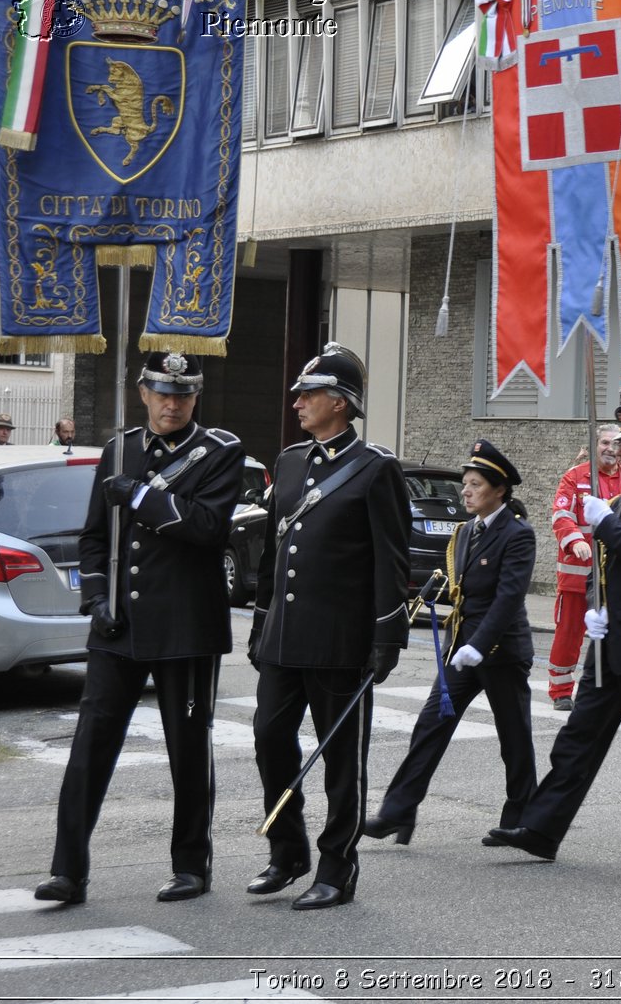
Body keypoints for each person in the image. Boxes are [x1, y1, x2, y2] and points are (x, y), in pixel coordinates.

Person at [33, 354, 243, 907]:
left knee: (188, 749)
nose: (172, 404)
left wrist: (144, 496)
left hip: (185, 627)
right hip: (118, 625)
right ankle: (67, 870)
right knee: (89, 747)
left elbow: (206, 528)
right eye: (162, 393)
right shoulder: (118, 449)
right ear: (143, 392)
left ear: (196, 398)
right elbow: (94, 536)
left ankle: (191, 866)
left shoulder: (221, 452)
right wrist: (96, 596)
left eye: (183, 395)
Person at [247, 343, 410, 910]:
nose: (297, 402)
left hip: (341, 641)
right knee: (269, 737)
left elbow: (392, 562)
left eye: (308, 393)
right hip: (285, 638)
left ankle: (337, 868)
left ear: (340, 404)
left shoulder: (375, 469)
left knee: (342, 760)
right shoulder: (291, 462)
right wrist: (261, 622)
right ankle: (287, 852)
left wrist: (387, 636)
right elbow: (274, 551)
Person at [489, 407, 621, 860]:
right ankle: (541, 829)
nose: (620, 452)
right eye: (618, 444)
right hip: (610, 641)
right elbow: (607, 570)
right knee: (577, 739)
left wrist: (605, 523)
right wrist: (596, 607)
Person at [365, 439, 537, 847]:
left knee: (513, 736)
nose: (465, 491)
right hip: (461, 649)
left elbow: (509, 597)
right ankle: (398, 811)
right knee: (430, 726)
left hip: (500, 651)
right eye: (465, 483)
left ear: (498, 489)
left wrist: (480, 643)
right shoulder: (463, 533)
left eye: (475, 484)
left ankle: (522, 817)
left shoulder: (518, 535)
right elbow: (462, 587)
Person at [547, 424, 621, 710]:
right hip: (576, 575)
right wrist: (575, 541)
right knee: (568, 635)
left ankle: (607, 690)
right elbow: (561, 515)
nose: (610, 448)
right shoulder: (575, 477)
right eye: (605, 442)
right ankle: (561, 690)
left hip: (612, 578)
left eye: (615, 444)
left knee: (614, 637)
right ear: (595, 445)